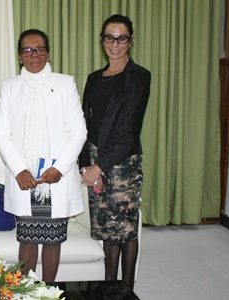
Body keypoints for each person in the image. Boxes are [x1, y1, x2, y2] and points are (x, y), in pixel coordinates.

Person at [0, 29, 87, 282]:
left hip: (53, 175)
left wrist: (61, 168)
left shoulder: (65, 83)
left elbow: (78, 131)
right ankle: (25, 291)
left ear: (48, 53)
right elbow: (2, 133)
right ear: (19, 55)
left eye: (40, 49)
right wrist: (19, 170)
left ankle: (48, 290)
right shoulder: (10, 86)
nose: (34, 54)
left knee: (52, 238)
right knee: (27, 238)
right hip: (26, 176)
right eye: (28, 49)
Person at [79, 14, 151, 291]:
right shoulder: (94, 78)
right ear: (102, 40)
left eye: (122, 38)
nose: (115, 44)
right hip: (96, 160)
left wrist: (100, 166)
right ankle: (109, 285)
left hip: (123, 162)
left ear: (130, 41)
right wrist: (86, 164)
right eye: (110, 37)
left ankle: (127, 288)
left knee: (126, 226)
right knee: (108, 227)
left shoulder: (139, 77)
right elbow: (84, 121)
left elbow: (129, 128)